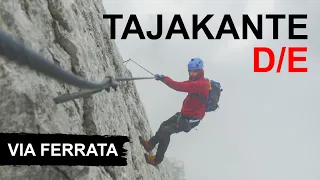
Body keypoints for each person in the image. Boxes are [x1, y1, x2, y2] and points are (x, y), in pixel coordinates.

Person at [139, 58, 210, 167]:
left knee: (166, 131)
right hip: (184, 115)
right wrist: (164, 78)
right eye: (190, 71)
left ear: (200, 71)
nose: (192, 73)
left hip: (190, 120)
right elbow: (182, 84)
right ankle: (150, 144)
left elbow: (179, 86)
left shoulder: (201, 84)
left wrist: (164, 79)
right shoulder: (194, 81)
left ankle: (157, 160)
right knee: (164, 125)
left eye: (195, 71)